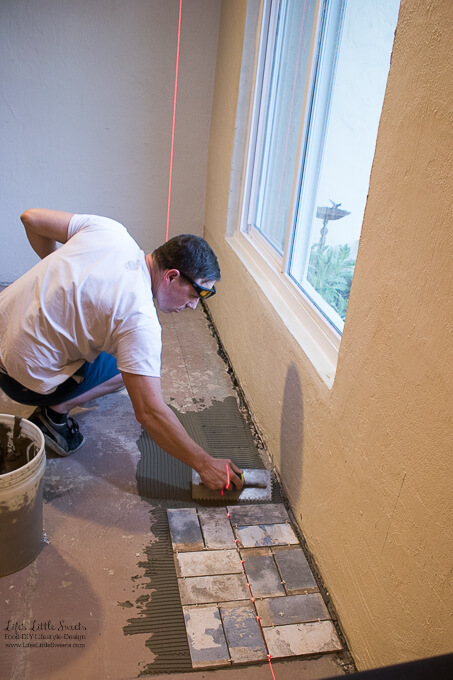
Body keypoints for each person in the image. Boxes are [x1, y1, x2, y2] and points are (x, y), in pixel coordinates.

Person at [0, 209, 242, 492]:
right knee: (133, 366)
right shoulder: (140, 321)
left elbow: (31, 218)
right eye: (194, 294)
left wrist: (62, 282)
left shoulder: (111, 231)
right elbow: (150, 413)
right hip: (19, 380)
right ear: (172, 276)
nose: (193, 306)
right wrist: (204, 464)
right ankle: (54, 413)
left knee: (123, 347)